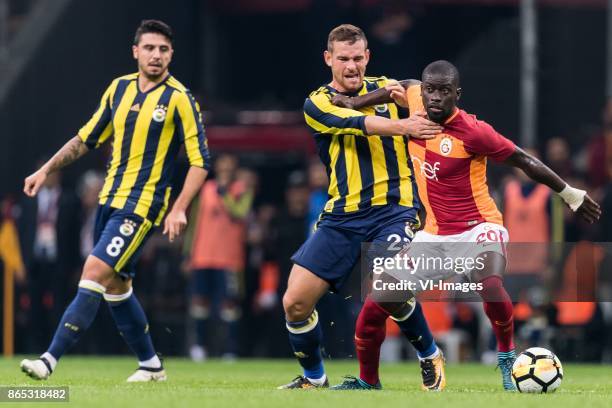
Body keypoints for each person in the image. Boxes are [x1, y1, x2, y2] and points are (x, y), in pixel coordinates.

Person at [330, 60, 600, 391]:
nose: (435, 98)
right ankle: (368, 382)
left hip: (479, 227)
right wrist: (353, 102)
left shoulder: (474, 132)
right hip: (433, 236)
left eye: (444, 91)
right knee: (373, 307)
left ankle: (505, 357)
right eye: (431, 90)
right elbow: (401, 84)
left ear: (456, 94)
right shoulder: (416, 100)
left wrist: (570, 193)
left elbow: (523, 160)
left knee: (487, 282)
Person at [20, 19, 210, 382]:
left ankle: (48, 359)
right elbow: (85, 138)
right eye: (150, 48)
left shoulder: (180, 99)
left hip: (142, 206)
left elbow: (201, 161)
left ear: (172, 54)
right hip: (108, 202)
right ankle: (152, 365)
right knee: (116, 288)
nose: (156, 55)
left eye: (164, 49)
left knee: (93, 272)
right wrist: (45, 170)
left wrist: (180, 206)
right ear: (135, 51)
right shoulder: (118, 89)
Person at [278, 24, 446, 390]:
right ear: (328, 59)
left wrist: (415, 93)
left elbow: (419, 90)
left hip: (395, 209)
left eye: (357, 58)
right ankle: (314, 379)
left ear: (367, 57)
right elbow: (356, 122)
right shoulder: (316, 102)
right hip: (341, 217)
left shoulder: (388, 88)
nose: (351, 66)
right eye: (343, 59)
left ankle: (429, 354)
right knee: (295, 302)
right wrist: (404, 126)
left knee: (387, 288)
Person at [186, 154, 252, 360]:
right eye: (222, 165)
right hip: (203, 256)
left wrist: (225, 194)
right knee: (200, 302)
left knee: (230, 305)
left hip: (230, 258)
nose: (225, 169)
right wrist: (187, 254)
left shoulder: (242, 190)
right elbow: (194, 224)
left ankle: (230, 349)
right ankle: (199, 346)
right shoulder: (205, 189)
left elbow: (240, 213)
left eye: (229, 165)